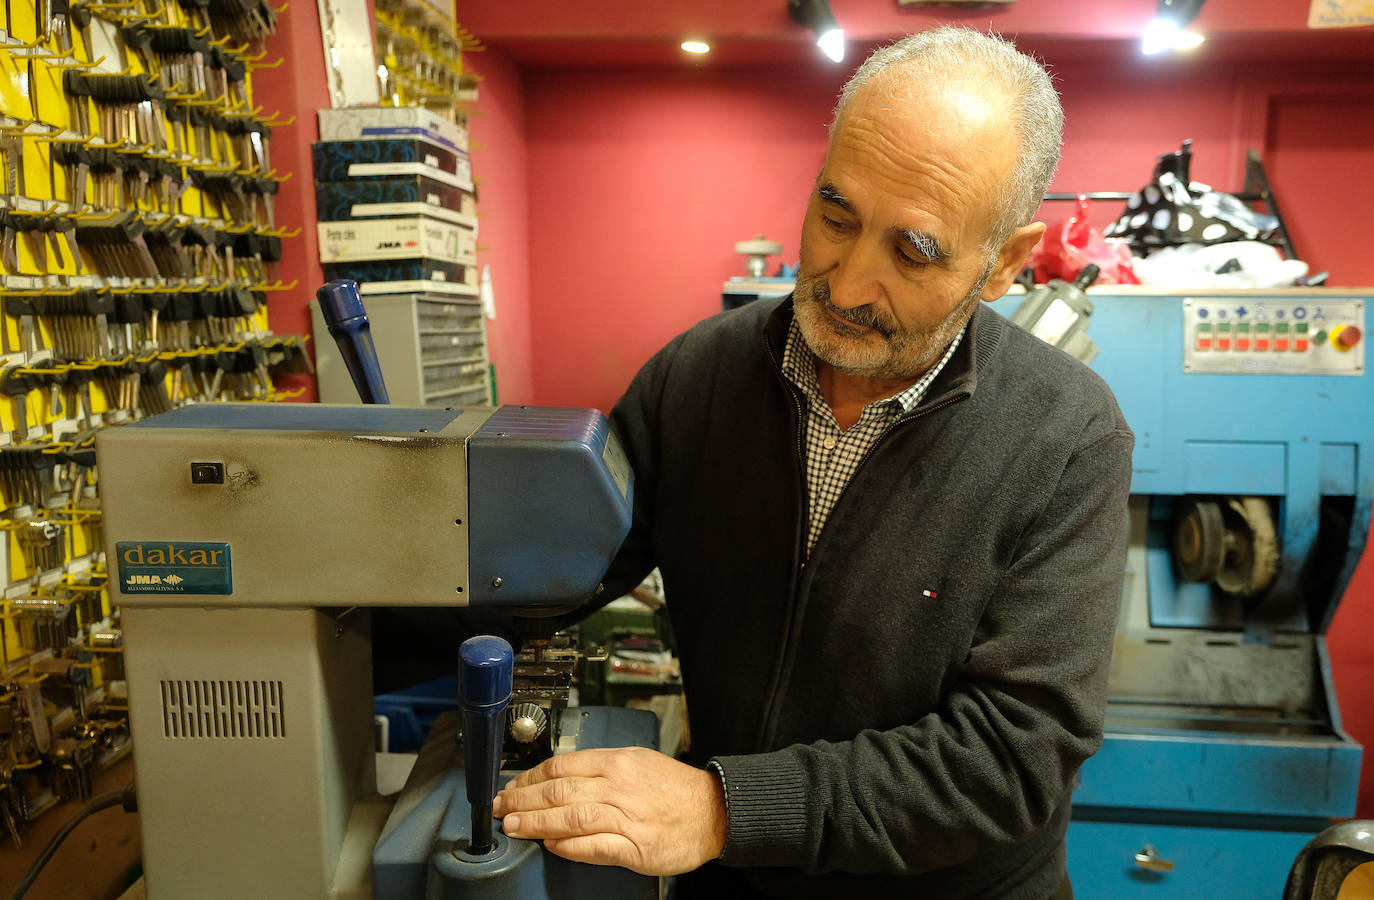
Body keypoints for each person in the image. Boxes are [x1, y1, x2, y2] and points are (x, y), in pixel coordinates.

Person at [491, 26, 1134, 899]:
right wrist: (334, 608)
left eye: (914, 251)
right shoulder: (696, 378)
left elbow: (1014, 757)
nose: (847, 282)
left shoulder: (1068, 437)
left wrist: (725, 810)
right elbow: (546, 575)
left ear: (1006, 263)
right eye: (836, 216)